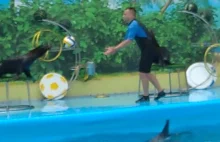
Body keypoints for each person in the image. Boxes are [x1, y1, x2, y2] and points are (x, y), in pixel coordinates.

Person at [104, 7, 166, 103]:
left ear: (132, 15)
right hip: (149, 49)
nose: (123, 16)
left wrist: (115, 49)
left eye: (125, 14)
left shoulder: (134, 25)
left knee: (143, 72)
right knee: (146, 72)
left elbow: (128, 41)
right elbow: (127, 39)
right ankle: (159, 92)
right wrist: (114, 48)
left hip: (149, 49)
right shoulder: (133, 24)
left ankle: (147, 96)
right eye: (123, 14)